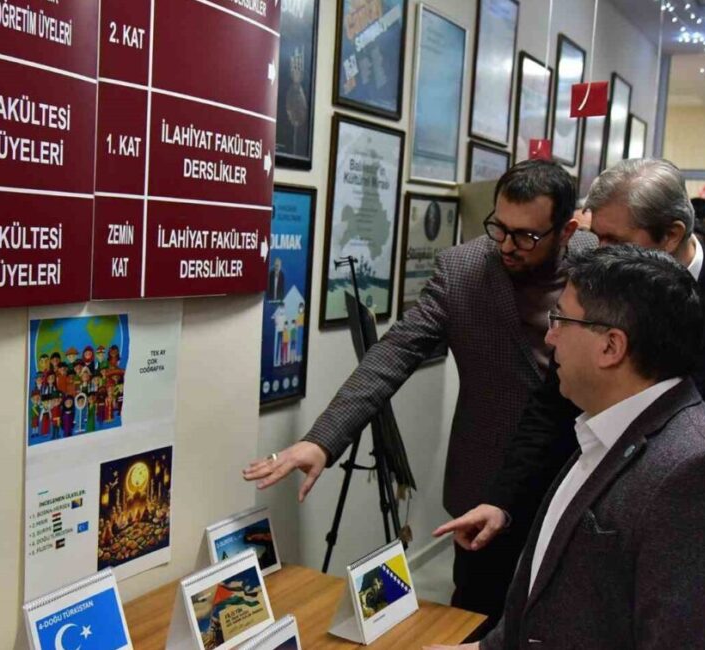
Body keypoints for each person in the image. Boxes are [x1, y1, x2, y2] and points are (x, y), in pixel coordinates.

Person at [436, 158, 705, 648]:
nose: (593, 252)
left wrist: (683, 461)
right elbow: (545, 416)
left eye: (613, 242)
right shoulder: (590, 435)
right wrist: (503, 501)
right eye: (595, 236)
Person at [243, 159, 582, 622]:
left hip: (574, 477)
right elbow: (392, 355)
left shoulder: (600, 263)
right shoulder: (463, 270)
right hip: (485, 480)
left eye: (526, 236)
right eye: (498, 228)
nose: (506, 245)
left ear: (565, 231)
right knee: (476, 617)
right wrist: (322, 440)